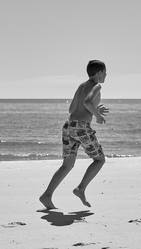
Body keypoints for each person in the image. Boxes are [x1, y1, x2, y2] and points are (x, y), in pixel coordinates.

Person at [39, 60, 109, 209]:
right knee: (99, 160)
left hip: (69, 126)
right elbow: (88, 102)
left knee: (67, 165)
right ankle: (80, 189)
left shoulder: (81, 86)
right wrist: (97, 115)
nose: (106, 75)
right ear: (98, 73)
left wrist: (94, 109)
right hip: (81, 128)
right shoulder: (97, 86)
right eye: (105, 72)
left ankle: (47, 195)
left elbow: (72, 109)